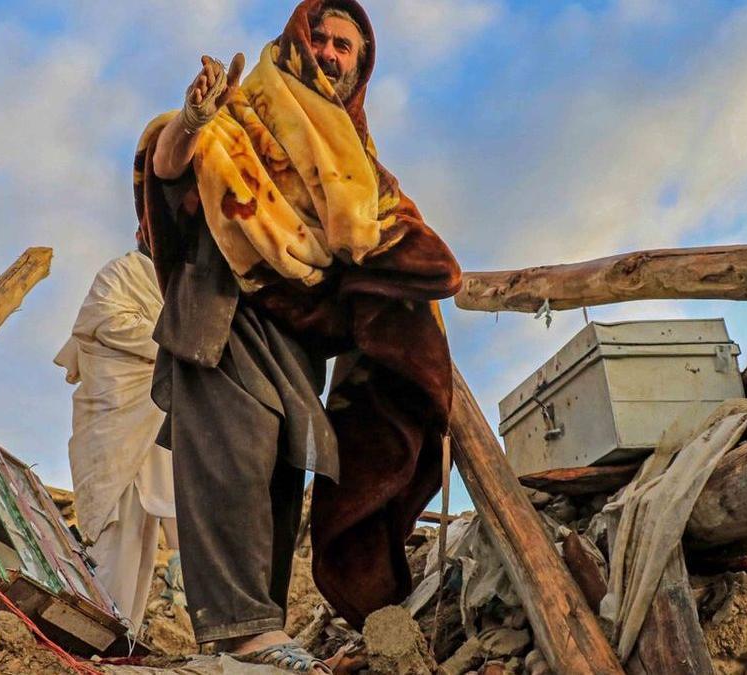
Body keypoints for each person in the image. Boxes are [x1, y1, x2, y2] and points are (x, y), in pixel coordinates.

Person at [134, 1, 461, 669]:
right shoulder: (242, 111)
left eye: (347, 47)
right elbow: (167, 169)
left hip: (294, 338)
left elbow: (392, 237)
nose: (333, 53)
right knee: (233, 459)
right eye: (324, 38)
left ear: (360, 68)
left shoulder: (355, 162)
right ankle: (241, 630)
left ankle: (259, 633)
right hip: (222, 310)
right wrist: (193, 122)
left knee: (282, 469)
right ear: (296, 43)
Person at [54, 249, 176, 634]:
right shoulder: (125, 270)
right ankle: (96, 630)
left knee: (141, 534)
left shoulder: (174, 286)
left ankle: (123, 636)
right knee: (113, 526)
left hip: (147, 417)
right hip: (112, 410)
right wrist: (175, 342)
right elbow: (105, 319)